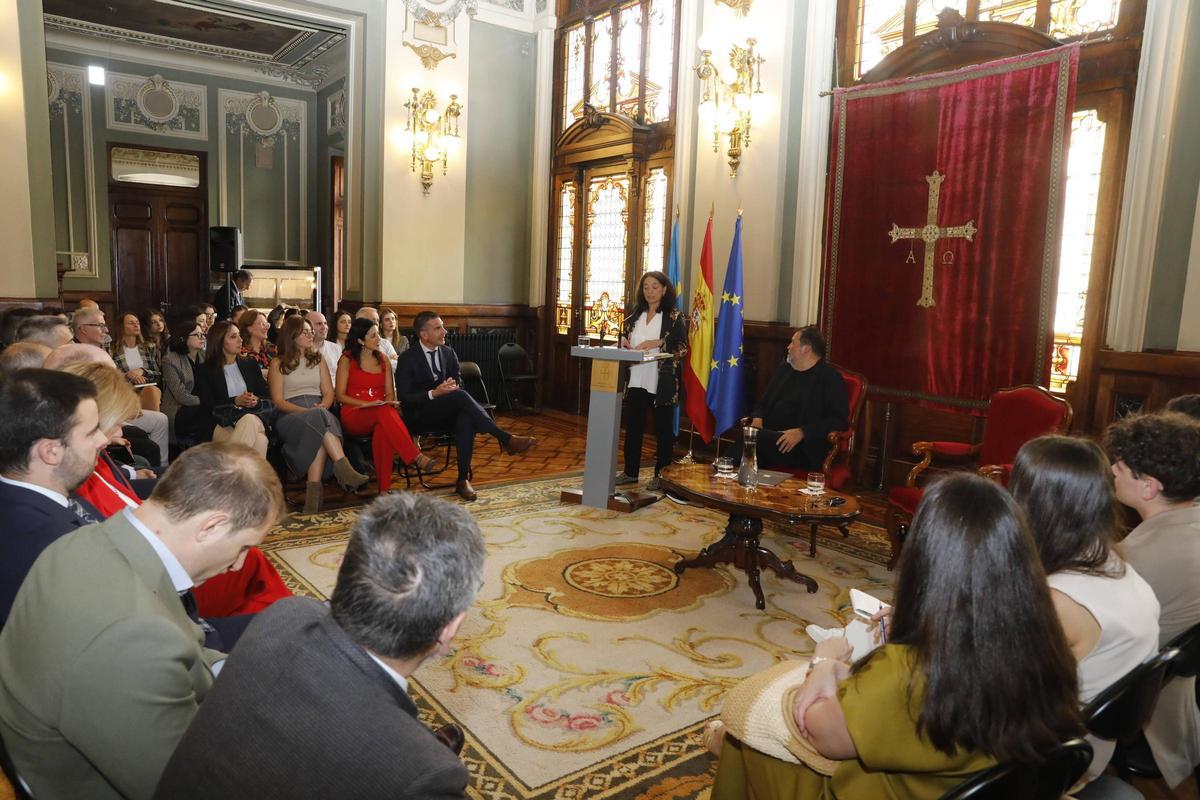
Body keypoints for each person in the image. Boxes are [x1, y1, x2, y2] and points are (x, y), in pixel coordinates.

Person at [711, 474, 1084, 798]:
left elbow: (819, 733)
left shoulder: (912, 671)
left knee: (744, 733)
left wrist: (823, 663)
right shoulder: (1049, 652)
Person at [0, 442, 283, 800]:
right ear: (211, 526)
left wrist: (230, 666)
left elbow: (181, 638)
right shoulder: (135, 638)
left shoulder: (84, 539)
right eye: (244, 546)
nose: (239, 564)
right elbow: (186, 786)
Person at [154, 491, 481, 799]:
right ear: (450, 628)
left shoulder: (285, 615)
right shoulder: (428, 775)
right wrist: (412, 757)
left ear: (344, 572)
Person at [1009, 435, 1161, 782]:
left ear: (1032, 503)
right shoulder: (1119, 567)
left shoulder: (1060, 601)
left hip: (1045, 764)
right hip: (1086, 745)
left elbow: (991, 693)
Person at [1105, 412, 1200, 789]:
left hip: (1137, 700)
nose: (1112, 469)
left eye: (1122, 467)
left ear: (1148, 487)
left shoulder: (1138, 558)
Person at [0, 368, 109, 626]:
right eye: (92, 432)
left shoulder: (32, 502)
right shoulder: (57, 546)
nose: (103, 440)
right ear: (51, 451)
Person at [395, 311, 536, 501]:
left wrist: (451, 388)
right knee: (460, 398)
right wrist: (434, 393)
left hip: (447, 409)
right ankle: (503, 438)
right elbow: (405, 398)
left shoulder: (448, 352)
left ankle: (462, 480)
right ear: (424, 334)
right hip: (420, 415)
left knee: (465, 418)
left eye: (443, 326)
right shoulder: (408, 358)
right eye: (438, 328)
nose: (444, 331)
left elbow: (459, 383)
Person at [269, 315, 368, 513]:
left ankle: (312, 500)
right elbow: (278, 401)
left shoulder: (318, 359)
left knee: (319, 428)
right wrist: (309, 411)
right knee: (320, 420)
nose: (310, 334)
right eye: (305, 331)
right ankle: (344, 469)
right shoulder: (278, 363)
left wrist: (323, 405)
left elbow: (329, 392)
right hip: (290, 414)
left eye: (310, 331)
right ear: (292, 335)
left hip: (318, 410)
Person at [337, 318, 436, 493]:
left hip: (381, 411)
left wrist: (387, 402)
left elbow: (390, 393)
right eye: (373, 336)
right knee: (384, 412)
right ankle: (416, 456)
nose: (379, 339)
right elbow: (340, 396)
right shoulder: (347, 360)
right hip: (354, 413)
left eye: (378, 335)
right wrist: (368, 404)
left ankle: (384, 489)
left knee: (383, 428)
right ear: (361, 340)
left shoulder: (383, 359)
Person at [732, 325, 848, 473]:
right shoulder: (784, 370)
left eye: (793, 342)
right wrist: (757, 417)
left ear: (806, 349)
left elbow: (838, 420)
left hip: (802, 447)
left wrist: (802, 432)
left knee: (750, 437)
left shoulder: (829, 378)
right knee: (752, 439)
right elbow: (763, 402)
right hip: (770, 439)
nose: (788, 347)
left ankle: (719, 472)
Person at [616, 270, 688, 491]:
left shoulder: (675, 317)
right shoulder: (635, 315)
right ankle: (630, 472)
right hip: (637, 378)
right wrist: (623, 342)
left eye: (655, 286)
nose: (650, 291)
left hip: (661, 381)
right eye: (646, 287)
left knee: (663, 430)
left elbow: (682, 349)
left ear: (665, 289)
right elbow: (625, 336)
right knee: (633, 428)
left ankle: (661, 474)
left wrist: (657, 343)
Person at [194, 320, 270, 456]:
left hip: (252, 416)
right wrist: (235, 400)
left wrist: (255, 400)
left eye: (239, 335)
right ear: (219, 341)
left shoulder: (250, 364)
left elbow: (265, 396)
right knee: (260, 441)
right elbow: (207, 405)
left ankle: (225, 472)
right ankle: (244, 476)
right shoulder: (205, 370)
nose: (240, 340)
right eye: (233, 337)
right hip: (222, 421)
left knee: (249, 419)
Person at [160, 316, 209, 444]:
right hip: (179, 410)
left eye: (203, 334)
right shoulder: (170, 360)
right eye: (197, 335)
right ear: (184, 337)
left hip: (201, 407)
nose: (202, 337)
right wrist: (206, 401)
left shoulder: (205, 356)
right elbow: (180, 395)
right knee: (209, 414)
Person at [110, 310, 164, 412]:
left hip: (146, 389)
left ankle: (154, 423)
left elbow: (158, 375)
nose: (136, 325)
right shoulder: (111, 349)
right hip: (124, 390)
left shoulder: (149, 347)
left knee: (152, 391)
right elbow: (110, 374)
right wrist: (127, 375)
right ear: (121, 327)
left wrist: (142, 371)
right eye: (131, 323)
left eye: (137, 322)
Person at [237, 308, 276, 373]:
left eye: (267, 324)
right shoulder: (240, 354)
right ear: (249, 328)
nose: (267, 327)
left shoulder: (272, 349)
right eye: (262, 324)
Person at [309, 310, 344, 377]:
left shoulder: (336, 348)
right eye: (319, 324)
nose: (324, 327)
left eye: (325, 323)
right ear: (308, 327)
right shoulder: (301, 349)